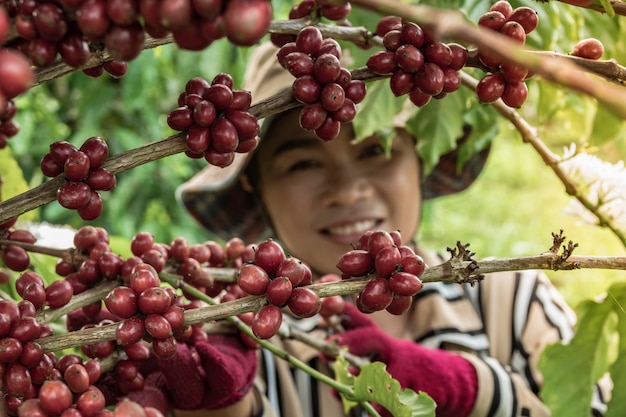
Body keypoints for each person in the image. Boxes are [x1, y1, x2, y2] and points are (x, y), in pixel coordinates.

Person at [133, 42, 610, 417]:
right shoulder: (241, 340)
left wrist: (473, 390)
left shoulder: (514, 301)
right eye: (303, 164)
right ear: (257, 188)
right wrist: (221, 411)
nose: (348, 190)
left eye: (375, 149)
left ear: (419, 161)